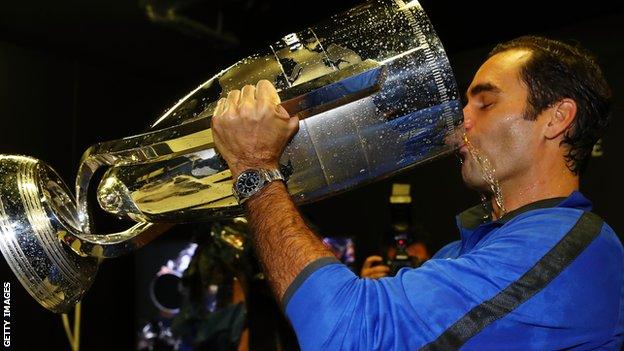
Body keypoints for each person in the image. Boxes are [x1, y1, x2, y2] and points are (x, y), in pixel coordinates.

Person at [210, 36, 623, 350]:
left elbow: (347, 332)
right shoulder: (468, 252)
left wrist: (256, 168)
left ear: (556, 119)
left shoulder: (571, 246)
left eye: (485, 104)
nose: (460, 121)